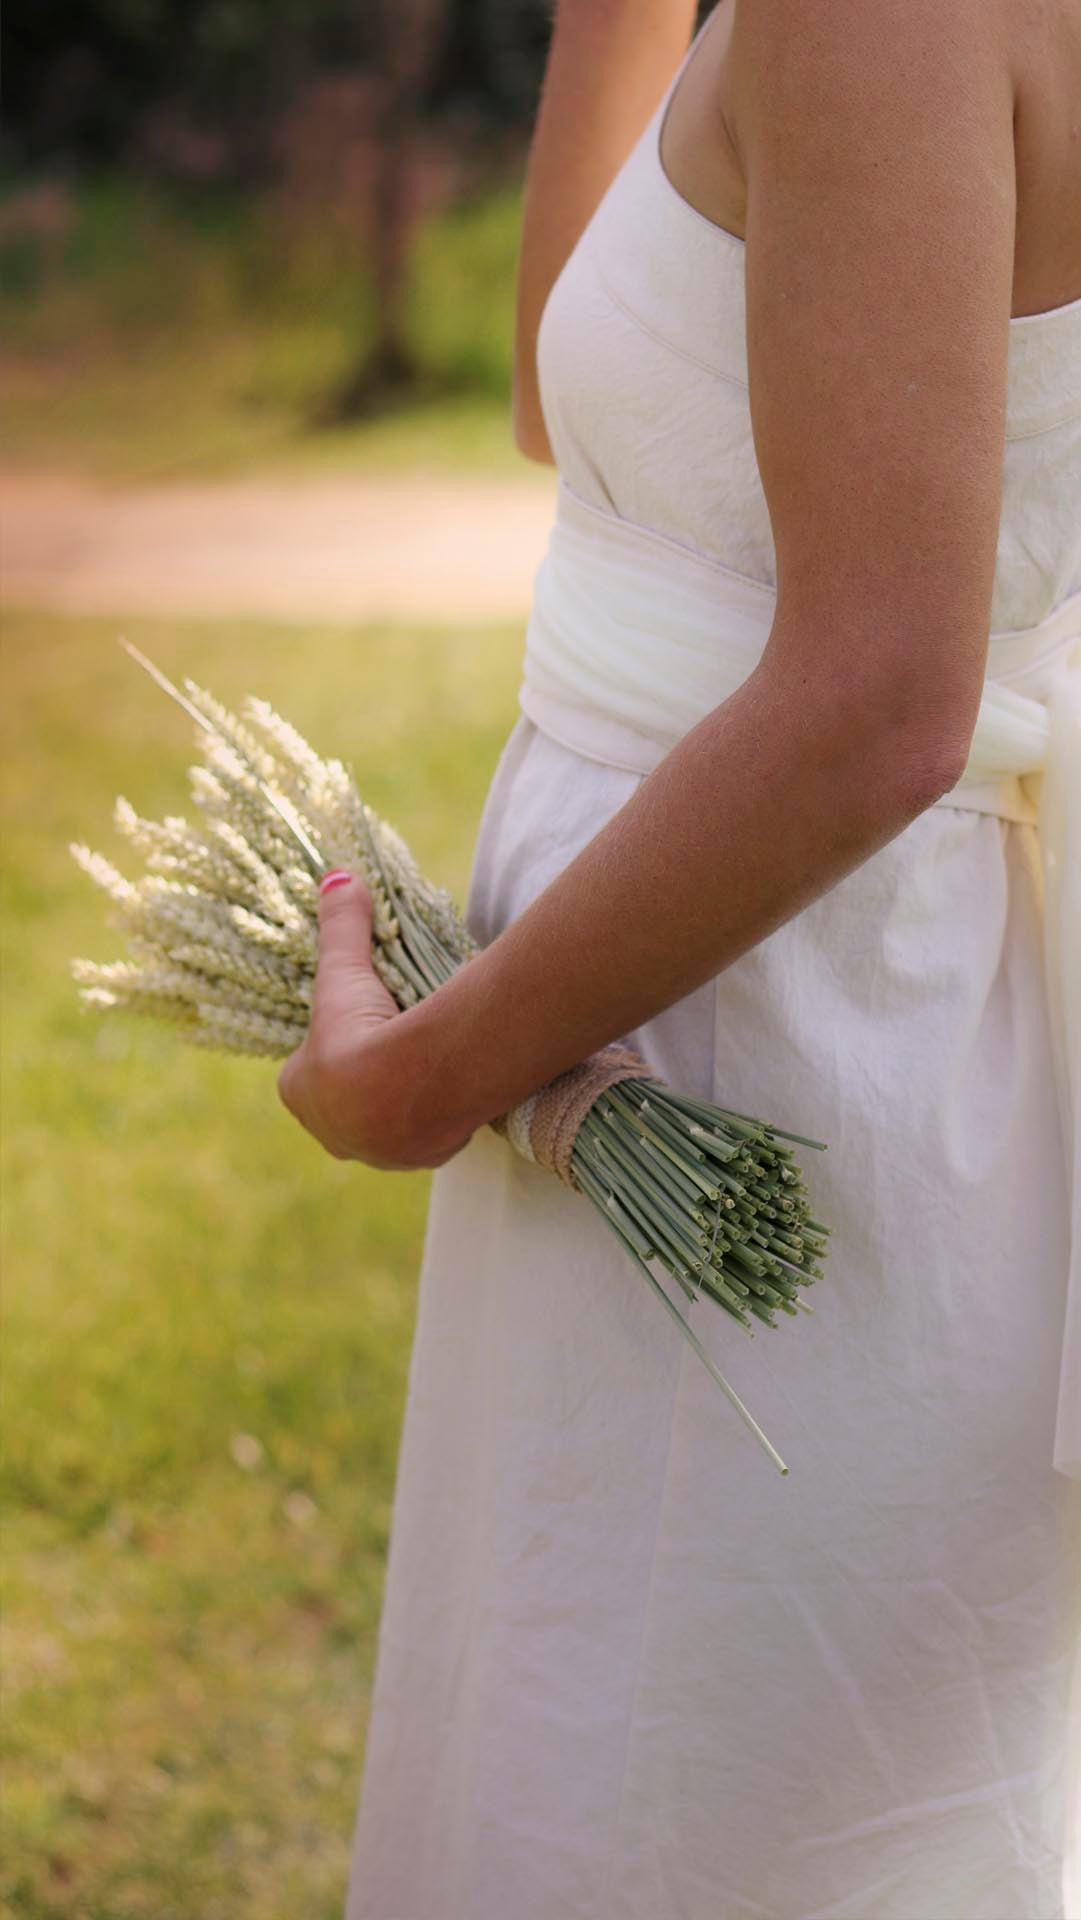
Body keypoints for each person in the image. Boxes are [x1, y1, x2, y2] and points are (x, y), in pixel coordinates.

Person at [277, 1, 1081, 1913]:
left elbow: (881, 696)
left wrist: (424, 1073)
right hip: (771, 1017)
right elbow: (582, 383)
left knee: (661, 1821)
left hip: (766, 1054)